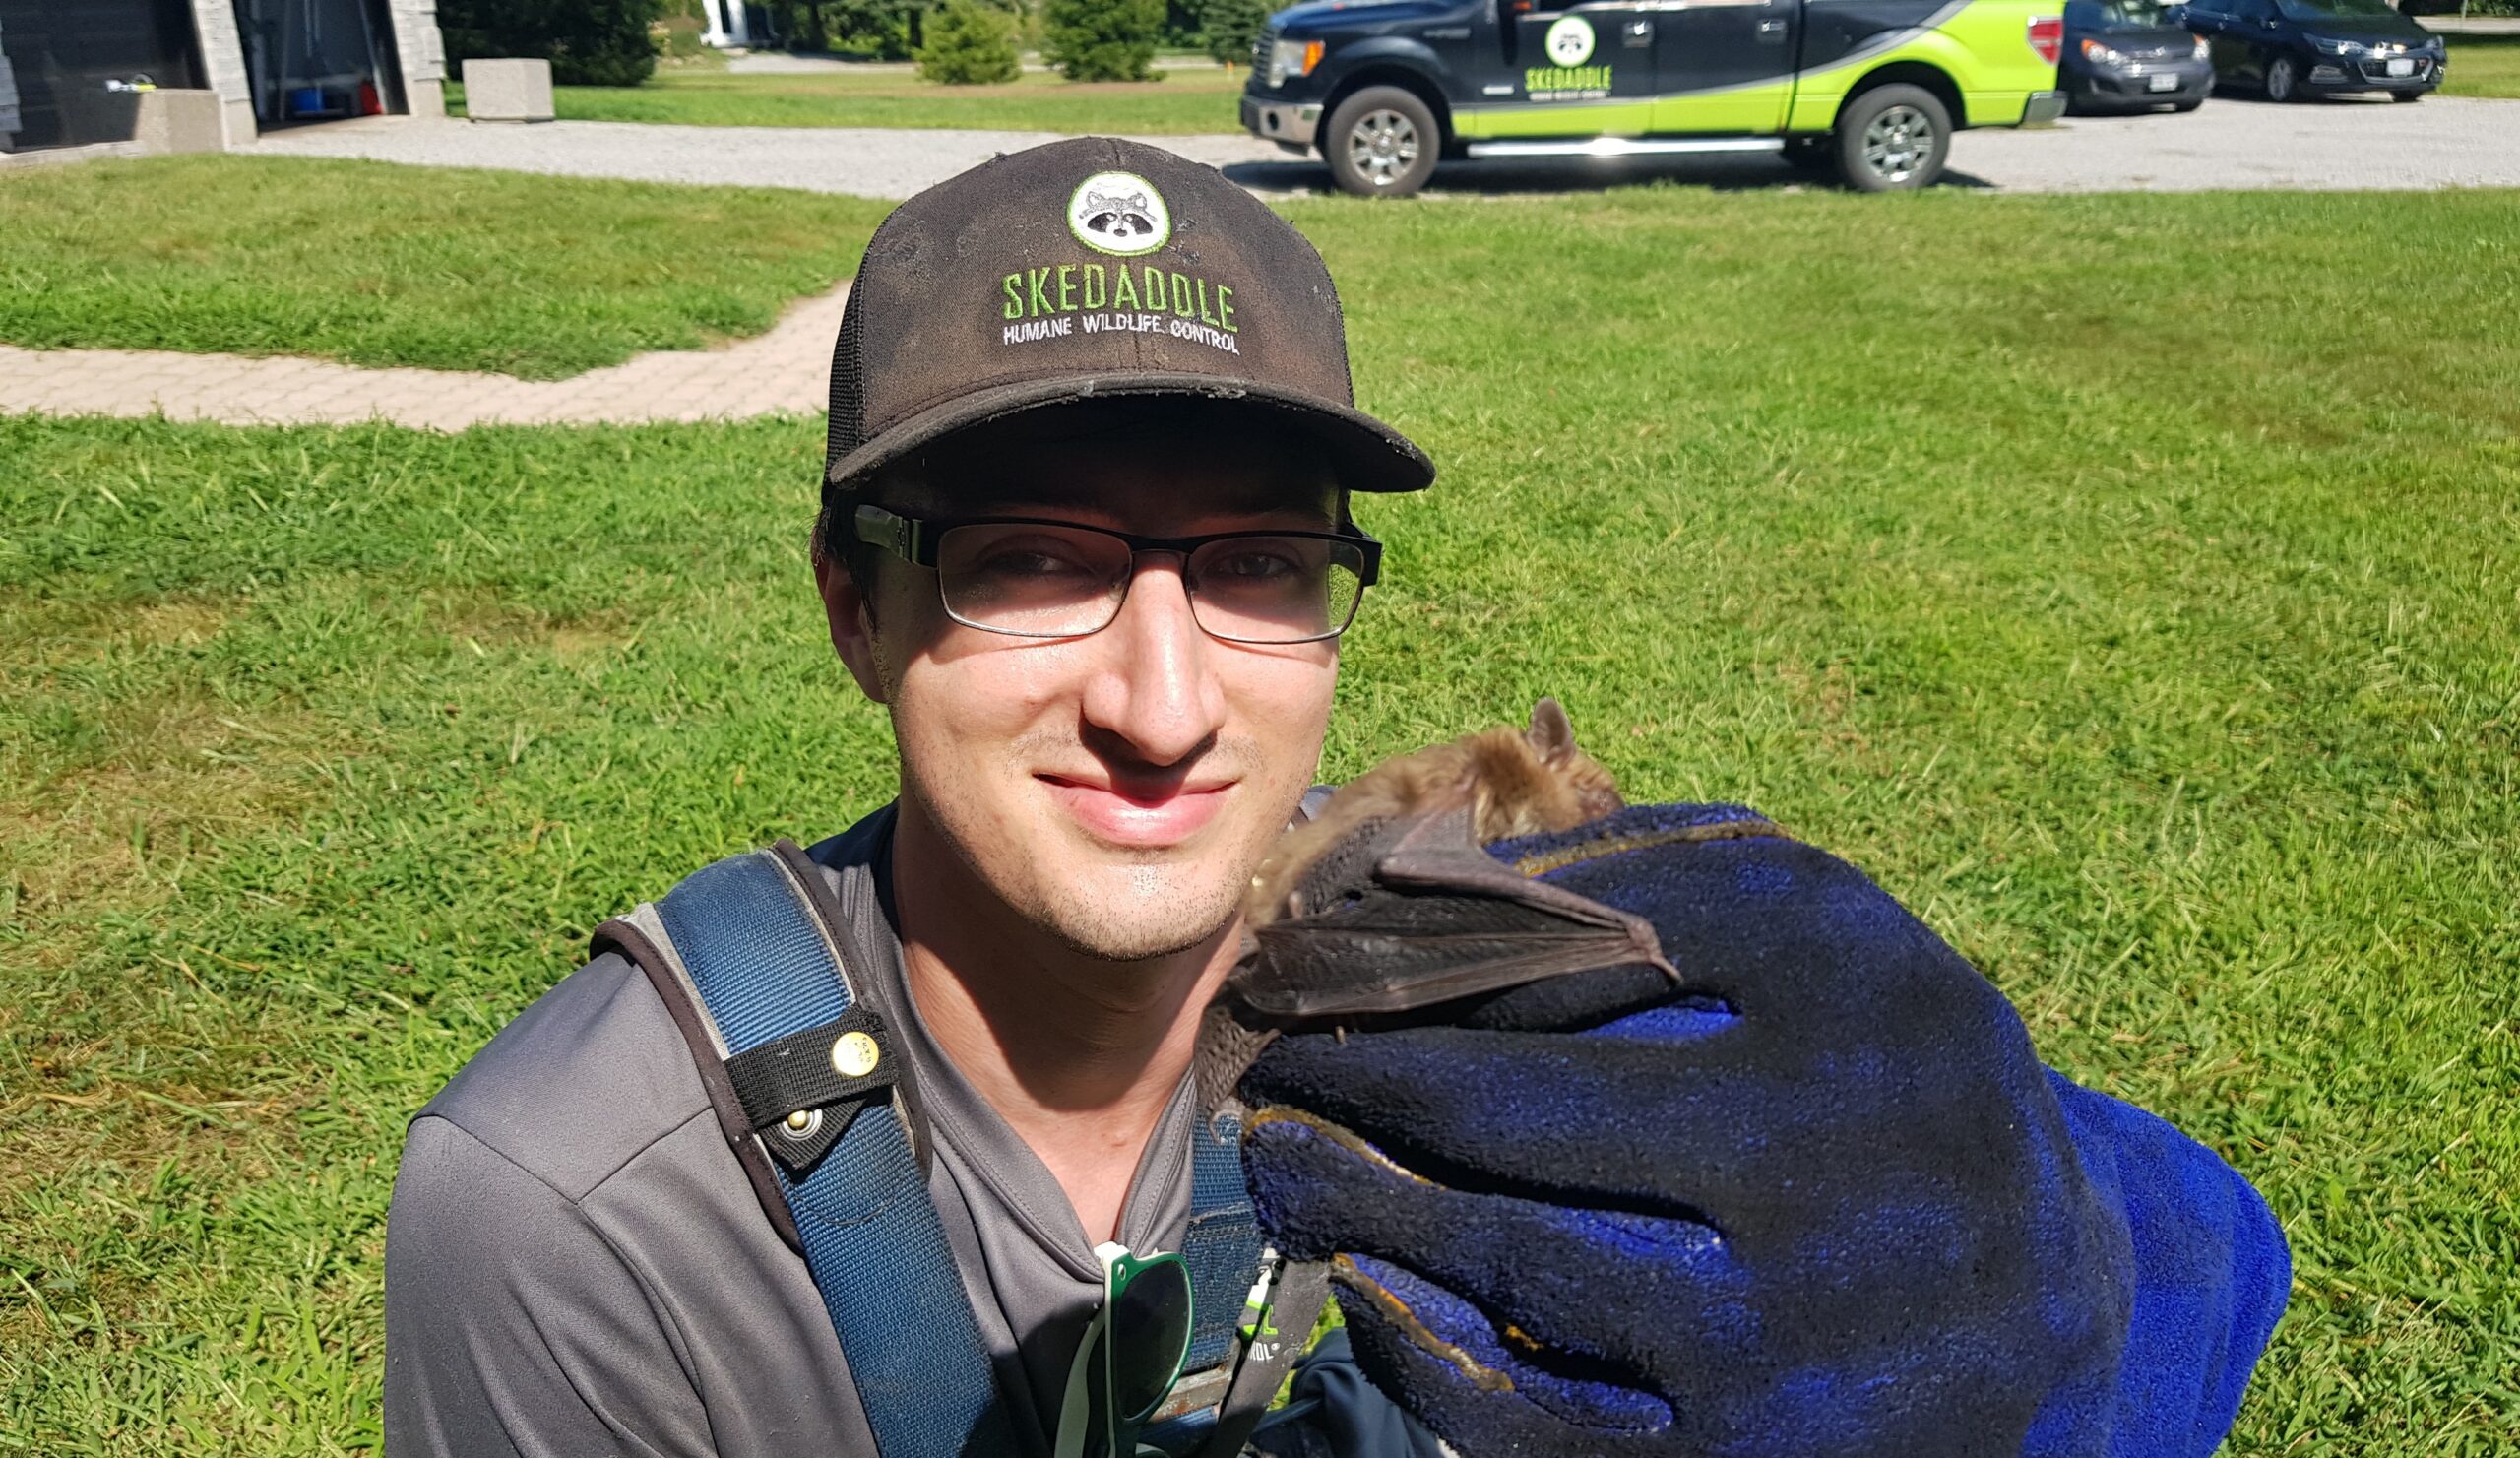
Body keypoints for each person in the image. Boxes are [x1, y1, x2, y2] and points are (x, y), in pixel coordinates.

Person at [384, 138, 2286, 1458]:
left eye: (1257, 566)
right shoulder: (588, 1218)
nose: (1161, 703)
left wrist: (2042, 1266)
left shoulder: (1500, 1041)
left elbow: (2213, 1251)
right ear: (854, 608)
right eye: (1031, 559)